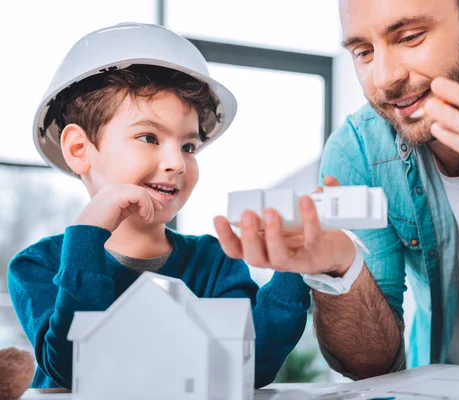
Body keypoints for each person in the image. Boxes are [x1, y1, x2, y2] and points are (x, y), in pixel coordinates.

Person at [215, 0, 459, 379]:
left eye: (410, 37)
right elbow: (372, 365)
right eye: (363, 52)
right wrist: (338, 270)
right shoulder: (359, 151)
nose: (384, 78)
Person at [8, 22, 310, 389]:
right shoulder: (37, 266)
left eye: (188, 147)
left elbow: (249, 368)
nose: (178, 163)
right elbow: (71, 369)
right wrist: (87, 236)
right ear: (79, 150)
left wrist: (292, 269)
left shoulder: (214, 262)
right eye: (149, 137)